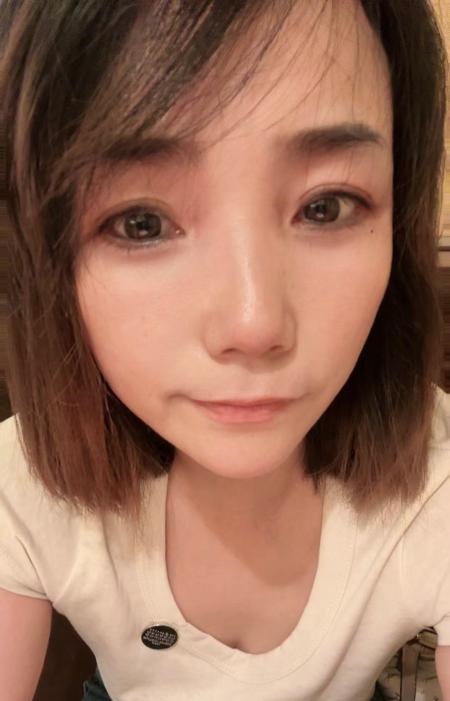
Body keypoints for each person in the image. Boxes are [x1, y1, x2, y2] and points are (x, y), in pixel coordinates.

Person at [0, 1, 449, 700]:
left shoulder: (437, 481)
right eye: (141, 222)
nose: (253, 323)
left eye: (326, 206)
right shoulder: (21, 481)